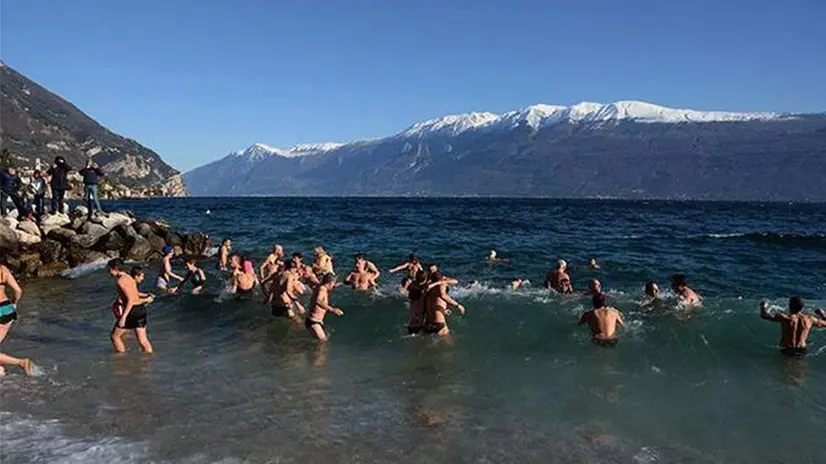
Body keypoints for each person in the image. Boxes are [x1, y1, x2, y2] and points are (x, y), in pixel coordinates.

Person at [108, 259, 154, 353]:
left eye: (110, 270)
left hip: (132, 311)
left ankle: (121, 359)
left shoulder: (120, 281)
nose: (109, 272)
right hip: (141, 309)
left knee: (114, 336)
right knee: (143, 340)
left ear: (116, 269)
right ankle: (149, 359)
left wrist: (123, 317)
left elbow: (130, 300)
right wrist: (146, 295)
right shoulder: (129, 277)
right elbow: (134, 294)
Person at [759, 298, 826, 357]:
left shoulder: (785, 318)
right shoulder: (809, 319)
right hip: (802, 350)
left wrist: (763, 307)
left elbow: (764, 316)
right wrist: (822, 314)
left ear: (790, 306)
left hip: (787, 349)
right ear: (802, 308)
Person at [0, 264, 34, 376]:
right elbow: (18, 291)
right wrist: (14, 303)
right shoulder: (2, 269)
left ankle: (21, 362)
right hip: (7, 309)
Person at [423, 272, 466, 336]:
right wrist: (458, 306)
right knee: (449, 344)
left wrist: (443, 310)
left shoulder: (428, 289)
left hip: (428, 323)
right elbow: (443, 296)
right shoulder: (441, 286)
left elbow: (455, 281)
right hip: (438, 322)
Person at [305, 273, 344, 341]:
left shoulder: (321, 286)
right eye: (333, 283)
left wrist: (336, 285)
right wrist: (332, 309)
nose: (333, 285)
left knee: (320, 343)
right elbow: (318, 300)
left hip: (315, 321)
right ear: (330, 282)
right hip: (314, 322)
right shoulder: (322, 289)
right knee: (323, 343)